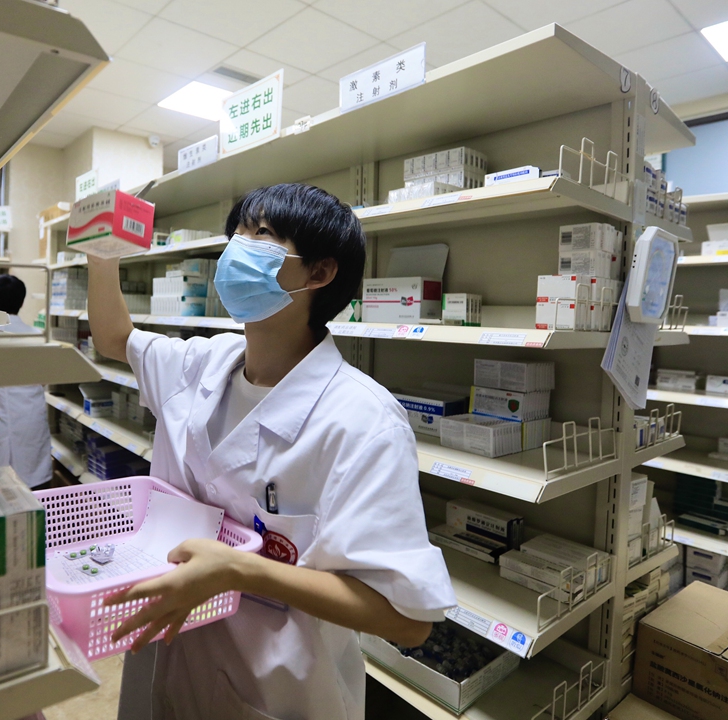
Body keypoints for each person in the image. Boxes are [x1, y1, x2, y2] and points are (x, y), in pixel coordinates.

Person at [87, 183, 455, 720]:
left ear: (320, 273)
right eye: (236, 232)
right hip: (167, 658)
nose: (237, 247)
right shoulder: (199, 363)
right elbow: (113, 337)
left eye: (261, 235)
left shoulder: (362, 421)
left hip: (279, 692)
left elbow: (407, 619)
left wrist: (242, 571)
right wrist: (102, 250)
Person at [0, 274, 52, 488]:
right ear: (22, 301)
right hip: (29, 417)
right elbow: (45, 380)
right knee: (33, 488)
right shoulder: (38, 337)